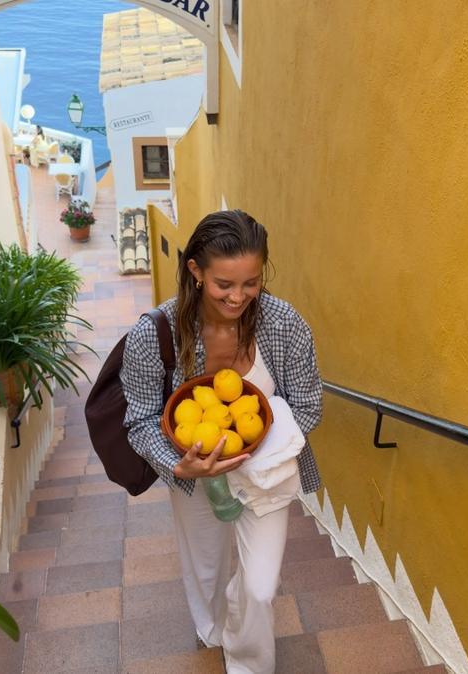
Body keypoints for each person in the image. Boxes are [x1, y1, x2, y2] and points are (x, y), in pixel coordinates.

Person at [120, 209, 323, 673]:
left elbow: (309, 405)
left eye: (251, 282)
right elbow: (141, 419)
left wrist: (255, 451)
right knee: (206, 569)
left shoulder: (284, 323)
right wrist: (178, 465)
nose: (238, 297)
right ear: (196, 271)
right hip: (194, 475)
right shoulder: (153, 333)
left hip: (265, 473)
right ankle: (213, 630)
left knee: (259, 588)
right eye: (224, 284)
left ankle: (248, 662)